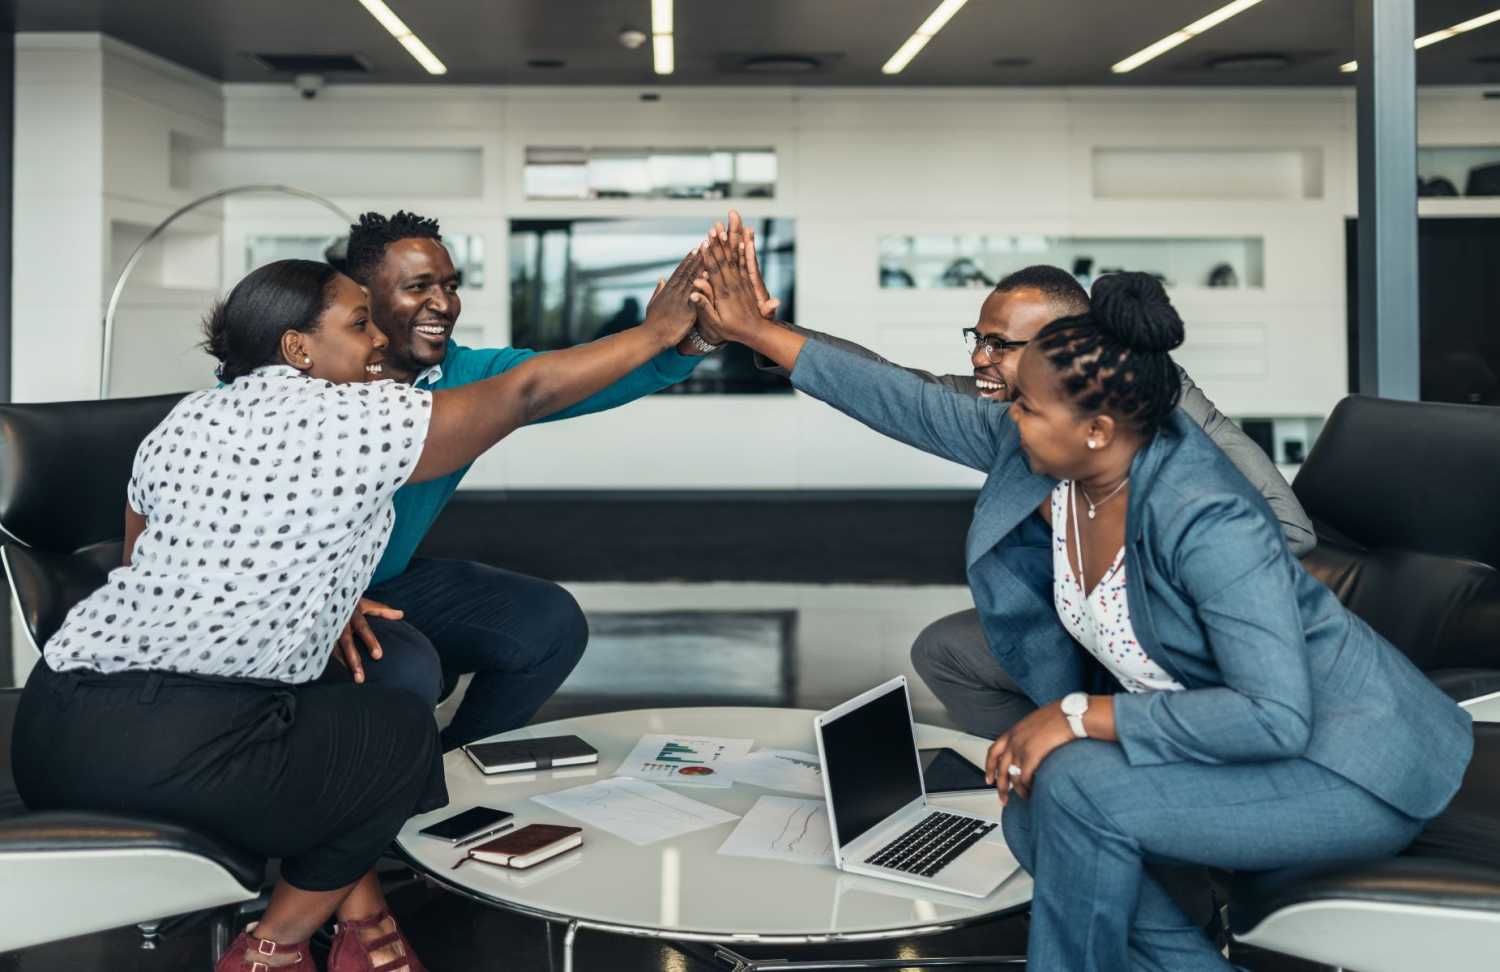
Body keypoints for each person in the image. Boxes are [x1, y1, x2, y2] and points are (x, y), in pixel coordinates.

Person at [690, 239, 1472, 972]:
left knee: (1073, 787)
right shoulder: (1065, 455)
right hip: (1232, 733)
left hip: (1348, 765)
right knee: (1039, 809)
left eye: (1025, 406)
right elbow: (903, 397)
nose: (1005, 417)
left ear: (1096, 427)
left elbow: (1275, 716)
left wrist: (1073, 717)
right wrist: (760, 330)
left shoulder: (1205, 515)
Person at [9, 253, 704, 972]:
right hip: (186, 752)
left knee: (360, 708)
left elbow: (139, 560)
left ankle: (359, 909)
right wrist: (655, 334)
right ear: (297, 347)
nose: (378, 340)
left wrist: (320, 596)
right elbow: (524, 393)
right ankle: (273, 947)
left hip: (51, 731)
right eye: (360, 322)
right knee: (398, 734)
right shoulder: (358, 414)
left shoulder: (188, 414)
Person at [709, 211, 1314, 740]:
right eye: (978, 338)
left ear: (1066, 347)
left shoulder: (1161, 414)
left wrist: (1120, 599)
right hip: (1090, 630)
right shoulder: (1015, 419)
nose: (978, 358)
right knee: (948, 651)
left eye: (998, 345)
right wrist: (767, 333)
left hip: (1194, 660)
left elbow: (1288, 530)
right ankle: (1033, 768)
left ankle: (1090, 757)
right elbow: (903, 392)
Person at [333, 211, 726, 750]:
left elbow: (568, 380)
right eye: (418, 287)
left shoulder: (466, 374)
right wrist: (318, 598)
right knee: (408, 673)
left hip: (387, 582)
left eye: (449, 286)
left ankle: (459, 764)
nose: (444, 305)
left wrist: (693, 341)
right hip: (293, 589)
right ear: (362, 295)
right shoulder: (312, 378)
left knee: (550, 623)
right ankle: (395, 790)